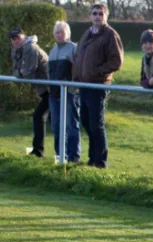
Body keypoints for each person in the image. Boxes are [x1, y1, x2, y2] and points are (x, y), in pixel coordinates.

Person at [72, 3, 124, 168]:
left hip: (98, 86)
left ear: (106, 16)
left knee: (96, 123)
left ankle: (100, 161)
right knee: (86, 121)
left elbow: (116, 61)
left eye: (100, 14)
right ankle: (92, 157)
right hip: (84, 85)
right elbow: (79, 56)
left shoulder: (110, 35)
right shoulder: (87, 33)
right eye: (94, 13)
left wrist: (97, 72)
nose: (97, 16)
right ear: (90, 16)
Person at [10, 27, 49, 158]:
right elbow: (16, 71)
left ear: (25, 38)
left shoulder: (31, 48)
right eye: (13, 39)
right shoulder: (17, 50)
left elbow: (28, 72)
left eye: (18, 38)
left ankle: (39, 151)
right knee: (40, 117)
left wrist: (20, 73)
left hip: (52, 88)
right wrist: (20, 73)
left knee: (40, 116)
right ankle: (38, 151)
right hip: (44, 89)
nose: (16, 41)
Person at [48, 21, 81, 163]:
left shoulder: (74, 48)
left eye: (61, 32)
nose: (58, 34)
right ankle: (60, 155)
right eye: (56, 32)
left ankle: (73, 156)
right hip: (54, 93)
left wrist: (73, 88)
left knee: (71, 125)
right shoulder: (53, 50)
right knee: (56, 125)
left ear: (67, 33)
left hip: (69, 93)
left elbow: (79, 70)